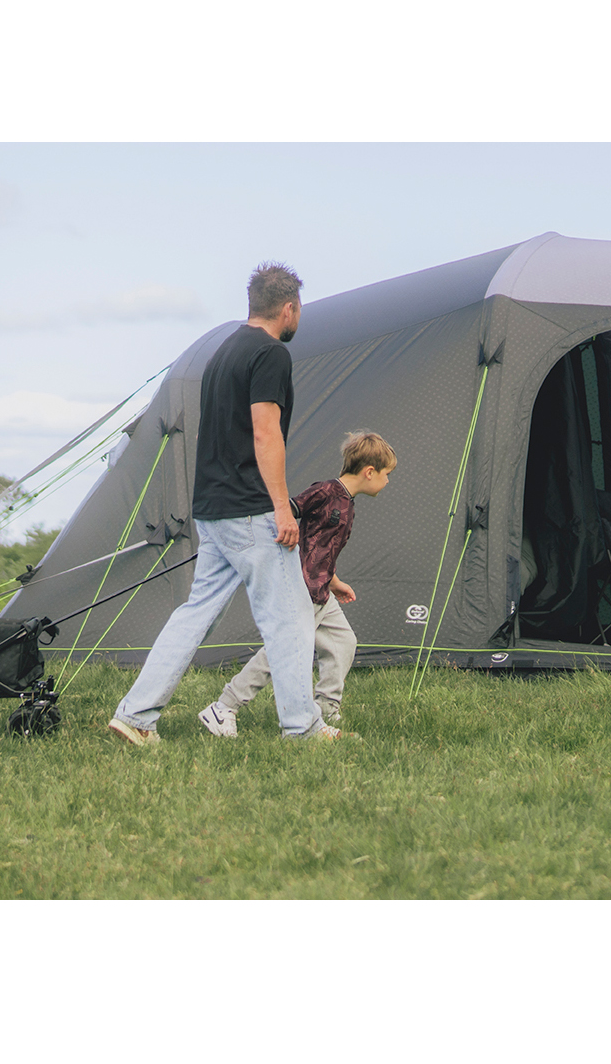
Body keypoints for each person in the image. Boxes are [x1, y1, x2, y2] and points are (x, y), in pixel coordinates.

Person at [108, 262, 336, 745]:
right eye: (299, 309)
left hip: (212, 509)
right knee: (291, 618)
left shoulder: (223, 352)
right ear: (289, 308)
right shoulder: (270, 354)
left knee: (195, 614)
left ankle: (136, 716)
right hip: (251, 510)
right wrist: (282, 507)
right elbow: (265, 432)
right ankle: (303, 727)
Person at [197, 431, 396, 736]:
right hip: (300, 588)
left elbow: (321, 547)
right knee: (280, 651)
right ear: (370, 472)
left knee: (343, 642)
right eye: (386, 474)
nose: (388, 481)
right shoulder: (326, 491)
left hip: (321, 591)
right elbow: (285, 514)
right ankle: (224, 706)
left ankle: (326, 706)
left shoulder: (348, 503)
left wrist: (334, 581)